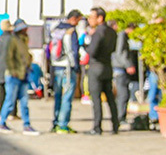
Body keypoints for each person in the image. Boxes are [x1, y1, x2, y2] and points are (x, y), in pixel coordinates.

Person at [0, 19, 39, 135]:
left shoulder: (23, 40)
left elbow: (25, 56)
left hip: (24, 74)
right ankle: (2, 122)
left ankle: (27, 125)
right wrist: (13, 70)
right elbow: (9, 57)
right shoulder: (13, 40)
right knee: (10, 101)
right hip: (14, 75)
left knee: (24, 102)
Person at [85, 7, 119, 135]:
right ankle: (115, 124)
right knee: (110, 98)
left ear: (100, 18)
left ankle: (97, 126)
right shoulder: (112, 32)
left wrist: (86, 47)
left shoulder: (98, 33)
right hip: (107, 66)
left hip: (96, 67)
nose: (89, 20)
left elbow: (92, 51)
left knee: (96, 99)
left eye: (91, 17)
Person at [50, 9, 82, 133]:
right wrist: (77, 67)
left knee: (57, 96)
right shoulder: (71, 32)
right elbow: (73, 51)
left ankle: (56, 122)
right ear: (74, 19)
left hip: (56, 65)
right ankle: (63, 124)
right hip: (68, 67)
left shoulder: (56, 29)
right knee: (67, 96)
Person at [112, 21, 138, 126]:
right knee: (123, 94)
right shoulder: (122, 36)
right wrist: (128, 65)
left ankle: (120, 116)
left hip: (120, 68)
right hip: (120, 68)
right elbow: (120, 53)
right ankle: (120, 117)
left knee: (124, 93)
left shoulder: (122, 36)